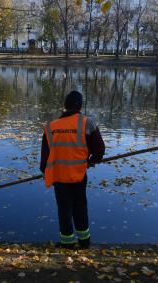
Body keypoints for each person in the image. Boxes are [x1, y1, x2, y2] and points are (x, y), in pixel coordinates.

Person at [40, 90, 105, 249]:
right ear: (80, 106)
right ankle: (84, 242)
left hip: (59, 177)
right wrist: (92, 161)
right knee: (80, 207)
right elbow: (99, 149)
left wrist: (45, 172)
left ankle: (67, 243)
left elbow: (44, 158)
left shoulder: (50, 127)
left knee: (64, 209)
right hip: (78, 176)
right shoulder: (87, 123)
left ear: (65, 106)